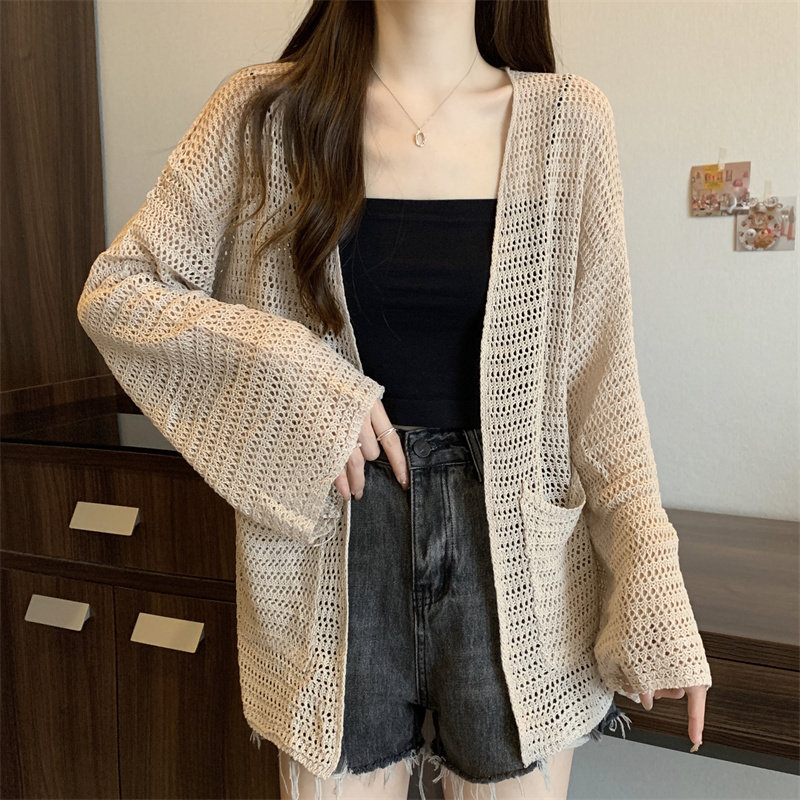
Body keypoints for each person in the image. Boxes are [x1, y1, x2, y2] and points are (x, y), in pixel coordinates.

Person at [76, 1, 712, 799]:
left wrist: (652, 576)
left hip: (516, 570)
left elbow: (603, 388)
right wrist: (303, 384)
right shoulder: (261, 116)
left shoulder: (568, 124)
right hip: (328, 555)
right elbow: (119, 293)